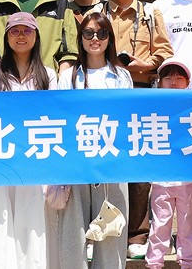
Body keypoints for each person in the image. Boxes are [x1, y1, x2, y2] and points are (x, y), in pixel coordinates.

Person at [101, 0, 174, 259]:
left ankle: (138, 232)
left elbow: (165, 52)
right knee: (105, 160)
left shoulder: (150, 13)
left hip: (140, 91)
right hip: (104, 95)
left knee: (139, 164)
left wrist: (146, 64)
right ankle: (103, 228)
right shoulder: (97, 13)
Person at [50, 13, 131, 269]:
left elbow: (127, 119)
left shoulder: (121, 76)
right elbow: (61, 119)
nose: (95, 38)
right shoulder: (68, 77)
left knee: (112, 234)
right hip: (75, 165)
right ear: (80, 38)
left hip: (112, 164)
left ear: (110, 38)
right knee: (72, 237)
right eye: (88, 33)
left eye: (101, 33)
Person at [0, 12, 55, 269]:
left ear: (36, 36)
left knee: (32, 225)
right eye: (15, 31)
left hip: (35, 158)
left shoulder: (48, 74)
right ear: (6, 37)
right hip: (0, 157)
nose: (21, 36)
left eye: (27, 31)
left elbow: (51, 115)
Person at [145, 58, 192, 269]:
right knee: (160, 222)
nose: (174, 83)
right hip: (162, 177)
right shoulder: (152, 108)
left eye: (179, 78)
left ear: (187, 82)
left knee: (190, 222)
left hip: (190, 177)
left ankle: (187, 263)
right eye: (168, 78)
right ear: (160, 82)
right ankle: (154, 263)